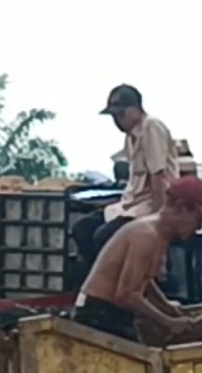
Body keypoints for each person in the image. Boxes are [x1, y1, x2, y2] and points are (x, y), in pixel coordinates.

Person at [75, 176, 202, 341]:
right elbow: (126, 294)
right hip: (98, 314)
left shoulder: (160, 235)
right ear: (181, 208)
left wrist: (167, 307)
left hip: (112, 313)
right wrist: (168, 322)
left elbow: (144, 278)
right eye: (199, 219)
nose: (199, 227)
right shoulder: (146, 235)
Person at [72, 84, 181, 263]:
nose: (117, 121)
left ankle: (115, 277)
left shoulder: (151, 128)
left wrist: (157, 219)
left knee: (104, 236)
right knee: (82, 229)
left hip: (148, 206)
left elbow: (158, 176)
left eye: (121, 114)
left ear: (136, 109)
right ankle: (97, 276)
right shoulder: (130, 137)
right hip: (131, 204)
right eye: (114, 116)